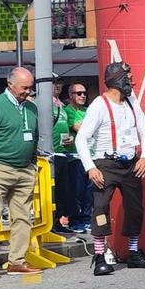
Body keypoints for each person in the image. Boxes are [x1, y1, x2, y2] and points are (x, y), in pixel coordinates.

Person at [75, 61, 145, 275]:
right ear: (117, 80)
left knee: (135, 208)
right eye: (128, 77)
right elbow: (81, 139)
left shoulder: (131, 101)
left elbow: (144, 131)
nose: (131, 81)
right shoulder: (99, 105)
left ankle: (133, 253)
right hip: (106, 164)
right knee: (101, 208)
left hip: (130, 163)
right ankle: (100, 255)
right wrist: (90, 168)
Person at [0, 68, 44, 278]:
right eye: (24, 87)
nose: (28, 92)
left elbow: (35, 135)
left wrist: (32, 164)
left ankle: (17, 261)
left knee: (23, 218)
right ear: (10, 84)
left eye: (30, 87)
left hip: (25, 170)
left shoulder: (31, 108)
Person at [52, 81, 92, 233]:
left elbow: (92, 130)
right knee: (75, 191)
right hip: (73, 156)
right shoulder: (67, 110)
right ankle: (75, 220)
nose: (83, 96)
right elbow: (81, 129)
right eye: (79, 93)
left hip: (88, 155)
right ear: (70, 95)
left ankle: (87, 219)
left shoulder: (86, 110)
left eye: (84, 93)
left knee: (88, 191)